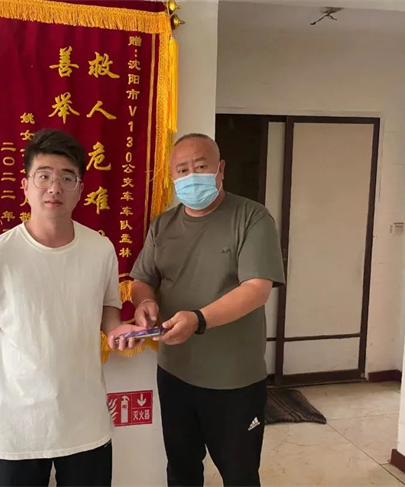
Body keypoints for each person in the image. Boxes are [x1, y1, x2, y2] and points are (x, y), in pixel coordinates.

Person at [0, 129, 144, 487]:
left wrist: (117, 329)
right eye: (43, 176)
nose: (54, 187)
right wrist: (3, 390)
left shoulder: (100, 249)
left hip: (86, 421)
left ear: (80, 189)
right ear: (25, 186)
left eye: (66, 178)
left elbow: (107, 307)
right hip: (20, 428)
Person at [130, 133, 285, 487]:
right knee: (181, 469)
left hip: (233, 380)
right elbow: (142, 280)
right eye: (182, 169)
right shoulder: (163, 225)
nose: (192, 176)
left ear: (220, 169)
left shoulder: (252, 217)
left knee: (240, 475)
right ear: (172, 176)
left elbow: (256, 290)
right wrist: (145, 302)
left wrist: (199, 320)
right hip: (175, 373)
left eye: (200, 167)